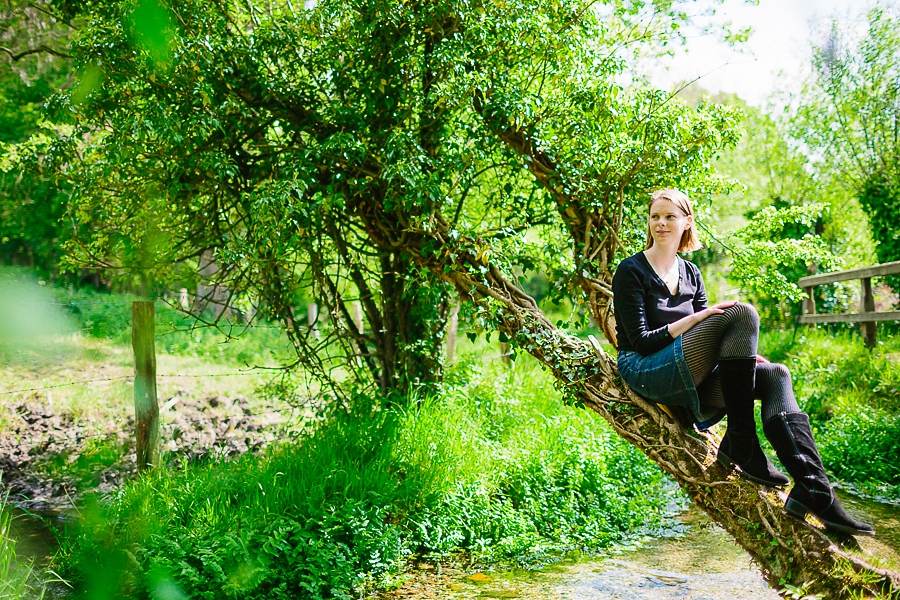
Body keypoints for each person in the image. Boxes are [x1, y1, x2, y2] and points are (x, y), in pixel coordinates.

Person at [611, 188, 874, 537]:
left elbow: (713, 340)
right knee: (742, 312)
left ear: (687, 222)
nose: (661, 223)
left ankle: (814, 490)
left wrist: (745, 358)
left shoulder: (691, 272)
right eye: (655, 216)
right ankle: (743, 442)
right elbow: (642, 342)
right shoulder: (630, 271)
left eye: (670, 216)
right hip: (645, 370)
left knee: (776, 375)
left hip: (689, 371)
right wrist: (695, 318)